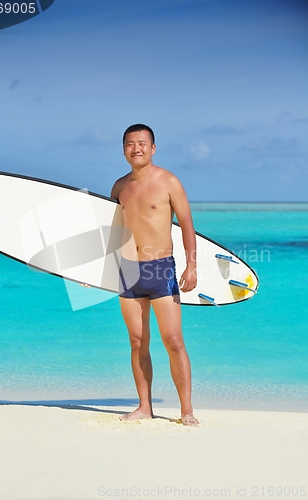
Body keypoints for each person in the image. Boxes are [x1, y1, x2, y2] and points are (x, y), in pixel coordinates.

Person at [111, 124, 199, 426]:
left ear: (153, 148)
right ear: (123, 150)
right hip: (127, 270)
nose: (136, 148)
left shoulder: (168, 181)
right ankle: (144, 406)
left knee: (173, 341)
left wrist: (192, 265)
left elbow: (187, 224)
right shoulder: (119, 187)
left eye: (142, 143)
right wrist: (96, 271)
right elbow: (114, 232)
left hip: (160, 268)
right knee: (137, 342)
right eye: (130, 144)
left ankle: (186, 410)